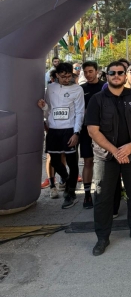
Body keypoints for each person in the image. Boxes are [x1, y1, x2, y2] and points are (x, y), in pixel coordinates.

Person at [86, 61, 131, 256]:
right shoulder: (97, 99)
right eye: (112, 73)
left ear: (125, 75)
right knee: (103, 197)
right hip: (106, 156)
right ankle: (102, 237)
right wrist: (116, 151)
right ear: (106, 76)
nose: (116, 76)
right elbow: (93, 130)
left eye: (120, 73)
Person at [37, 62, 85, 209]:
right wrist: (44, 107)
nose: (66, 79)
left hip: (69, 129)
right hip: (53, 130)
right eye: (63, 76)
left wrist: (76, 132)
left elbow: (80, 112)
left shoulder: (77, 89)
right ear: (57, 75)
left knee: (72, 162)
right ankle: (67, 179)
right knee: (54, 161)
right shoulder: (51, 88)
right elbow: (49, 109)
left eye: (69, 76)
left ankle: (71, 194)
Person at [79, 61, 104, 209]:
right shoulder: (80, 89)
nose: (88, 74)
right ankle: (87, 194)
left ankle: (109, 191)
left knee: (107, 161)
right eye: (86, 72)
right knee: (88, 161)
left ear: (97, 71)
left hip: (104, 130)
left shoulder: (105, 86)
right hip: (86, 130)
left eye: (91, 71)